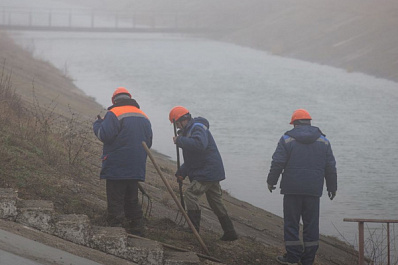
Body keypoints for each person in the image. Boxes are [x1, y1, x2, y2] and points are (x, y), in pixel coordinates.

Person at [267, 109, 337, 265]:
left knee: (291, 224)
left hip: (292, 189)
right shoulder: (324, 141)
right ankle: (308, 260)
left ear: (295, 123)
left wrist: (271, 181)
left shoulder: (286, 139)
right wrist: (332, 187)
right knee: (311, 225)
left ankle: (292, 258)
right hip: (313, 190)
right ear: (309, 122)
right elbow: (330, 167)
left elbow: (278, 162)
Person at [168, 106, 238, 241]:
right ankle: (230, 232)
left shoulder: (197, 128)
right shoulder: (188, 131)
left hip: (207, 171)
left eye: (177, 123)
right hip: (210, 171)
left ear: (184, 119)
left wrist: (180, 141)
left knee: (190, 195)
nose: (177, 126)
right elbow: (192, 158)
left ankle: (193, 229)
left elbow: (199, 145)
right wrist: (182, 172)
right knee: (215, 202)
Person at [93, 87, 152, 236]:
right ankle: (137, 227)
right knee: (132, 197)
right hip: (137, 165)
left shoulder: (114, 113)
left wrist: (97, 125)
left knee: (115, 197)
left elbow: (104, 135)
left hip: (117, 164)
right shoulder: (144, 116)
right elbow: (149, 142)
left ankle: (116, 227)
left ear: (114, 100)